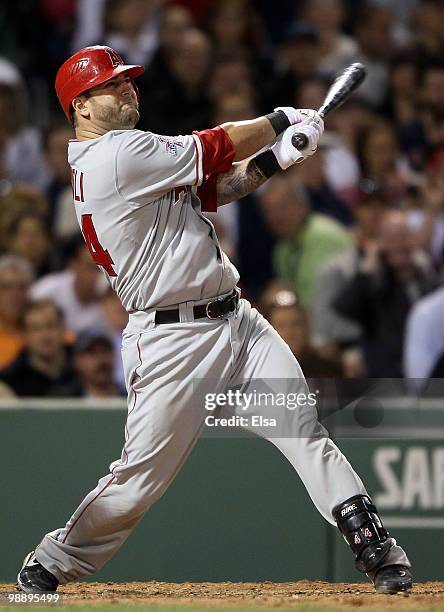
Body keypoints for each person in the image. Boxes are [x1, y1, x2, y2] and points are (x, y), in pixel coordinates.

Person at [17, 45, 411, 595]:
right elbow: (215, 145)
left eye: (129, 80)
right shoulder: (112, 157)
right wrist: (280, 120)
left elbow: (222, 186)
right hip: (172, 340)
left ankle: (379, 552)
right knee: (138, 484)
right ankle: (50, 562)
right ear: (80, 106)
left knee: (303, 430)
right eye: (113, 85)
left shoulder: (134, 157)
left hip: (238, 323)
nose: (129, 88)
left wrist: (280, 157)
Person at [259, 173, 353, 308]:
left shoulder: (324, 235)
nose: (276, 217)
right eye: (269, 210)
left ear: (302, 204)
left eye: (282, 207)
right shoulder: (282, 248)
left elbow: (321, 300)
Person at [0, 299, 78, 398]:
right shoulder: (10, 380)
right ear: (24, 335)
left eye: (50, 326)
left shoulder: (84, 365)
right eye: (35, 329)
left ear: (63, 328)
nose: (44, 335)